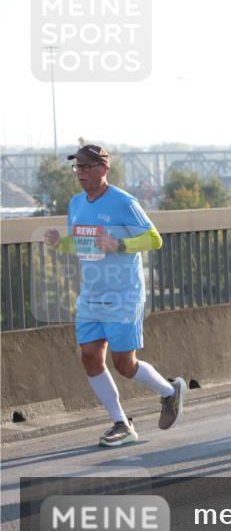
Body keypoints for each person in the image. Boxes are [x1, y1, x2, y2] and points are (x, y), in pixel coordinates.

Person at [43, 144, 186, 447]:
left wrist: (120, 245)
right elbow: (81, 245)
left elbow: (154, 239)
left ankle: (170, 392)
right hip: (91, 296)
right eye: (77, 168)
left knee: (124, 364)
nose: (80, 173)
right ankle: (122, 423)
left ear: (103, 169)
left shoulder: (124, 202)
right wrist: (60, 243)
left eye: (86, 167)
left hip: (123, 295)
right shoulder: (76, 203)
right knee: (90, 358)